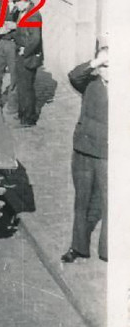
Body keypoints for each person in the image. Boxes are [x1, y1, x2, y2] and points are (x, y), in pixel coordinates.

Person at [61, 40, 108, 264]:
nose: (107, 72)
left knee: (109, 204)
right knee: (82, 201)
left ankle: (108, 251)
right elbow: (73, 75)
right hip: (83, 152)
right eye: (103, 67)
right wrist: (96, 61)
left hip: (108, 156)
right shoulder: (90, 84)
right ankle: (78, 247)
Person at [12, 0, 44, 127]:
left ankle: (28, 119)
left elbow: (35, 38)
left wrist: (26, 51)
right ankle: (22, 114)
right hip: (22, 54)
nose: (15, 4)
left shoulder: (33, 15)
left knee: (26, 88)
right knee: (22, 86)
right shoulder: (23, 12)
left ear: (26, 1)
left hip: (27, 57)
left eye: (16, 1)